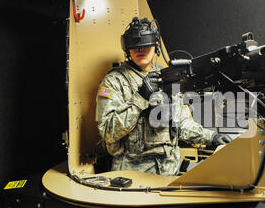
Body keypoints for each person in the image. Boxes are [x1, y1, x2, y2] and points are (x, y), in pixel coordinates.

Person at [95, 17, 230, 175]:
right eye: (135, 46)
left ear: (155, 45)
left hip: (169, 169)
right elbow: (107, 132)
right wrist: (140, 98)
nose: (140, 50)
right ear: (127, 48)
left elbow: (181, 123)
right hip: (133, 174)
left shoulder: (167, 76)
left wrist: (212, 136)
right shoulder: (114, 81)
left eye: (145, 45)